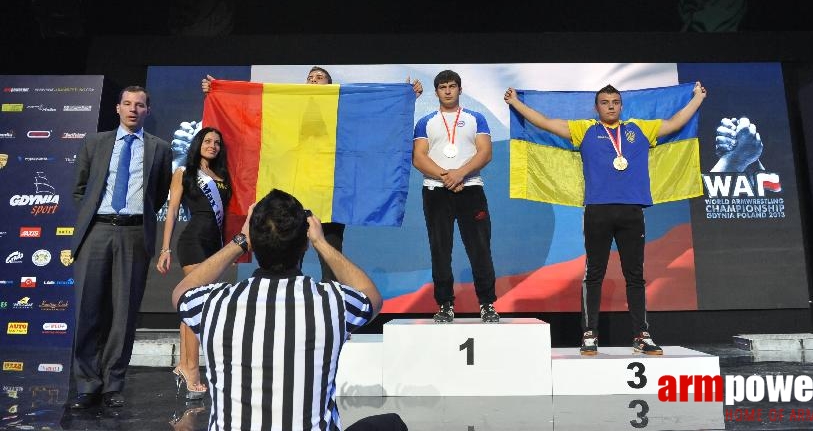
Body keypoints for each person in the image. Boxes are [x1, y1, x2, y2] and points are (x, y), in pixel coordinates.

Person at [172, 189, 406, 431]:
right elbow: (372, 298)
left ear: (253, 239)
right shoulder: (332, 302)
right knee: (391, 424)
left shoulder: (214, 303)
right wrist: (321, 243)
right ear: (304, 243)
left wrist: (240, 241)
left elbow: (181, 291)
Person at [504, 81, 707, 355]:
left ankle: (641, 335)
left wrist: (697, 99)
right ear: (596, 107)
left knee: (635, 275)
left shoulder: (639, 129)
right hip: (597, 211)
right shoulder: (584, 129)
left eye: (615, 103)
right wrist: (516, 103)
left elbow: (674, 123)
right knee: (594, 274)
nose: (610, 107)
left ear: (621, 106)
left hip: (632, 211)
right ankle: (590, 335)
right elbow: (546, 123)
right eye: (605, 103)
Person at [201, 67, 423, 283]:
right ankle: (289, 300)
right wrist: (218, 90)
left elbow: (372, 120)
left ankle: (333, 302)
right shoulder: (290, 109)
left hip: (329, 197)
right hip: (295, 194)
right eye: (310, 77)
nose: (314, 80)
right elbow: (251, 115)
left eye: (320, 77)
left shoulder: (343, 111)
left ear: (330, 85)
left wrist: (401, 96)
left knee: (330, 253)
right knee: (288, 254)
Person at [69, 86, 173, 408]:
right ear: (117, 108)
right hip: (97, 231)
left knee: (124, 313)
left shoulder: (160, 149)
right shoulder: (95, 143)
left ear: (147, 111)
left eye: (139, 105)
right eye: (127, 104)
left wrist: (134, 221)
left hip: (133, 235)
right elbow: (79, 190)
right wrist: (93, 218)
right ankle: (87, 384)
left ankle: (113, 383)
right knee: (88, 309)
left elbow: (158, 194)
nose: (132, 109)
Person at [412, 70, 499, 324]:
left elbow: (485, 152)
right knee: (440, 249)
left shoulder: (476, 119)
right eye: (442, 87)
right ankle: (445, 304)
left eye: (452, 86)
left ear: (460, 89)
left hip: (470, 188)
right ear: (436, 91)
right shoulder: (426, 122)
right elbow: (419, 157)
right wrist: (446, 177)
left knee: (480, 248)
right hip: (436, 191)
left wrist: (459, 174)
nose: (448, 91)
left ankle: (487, 304)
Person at [157, 127, 233, 400]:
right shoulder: (184, 173)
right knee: (197, 304)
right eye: (208, 141)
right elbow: (173, 210)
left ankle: (184, 365)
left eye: (217, 142)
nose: (212, 145)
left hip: (214, 246)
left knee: (194, 303)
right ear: (198, 143)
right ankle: (192, 370)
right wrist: (165, 248)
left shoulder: (222, 176)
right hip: (193, 243)